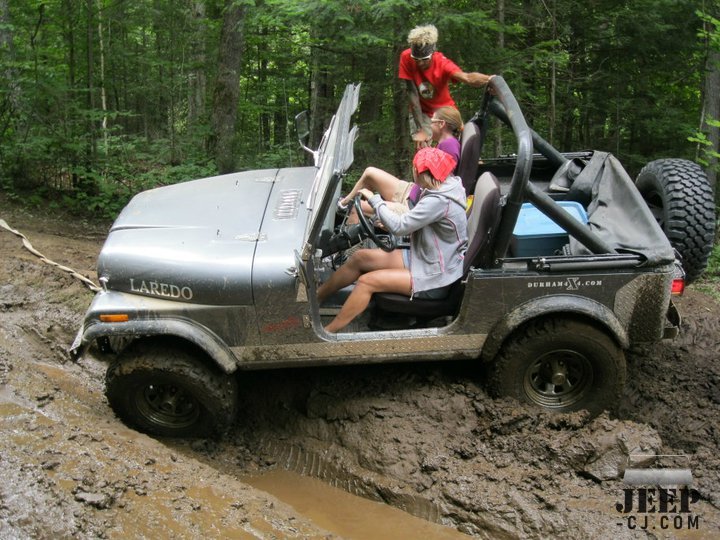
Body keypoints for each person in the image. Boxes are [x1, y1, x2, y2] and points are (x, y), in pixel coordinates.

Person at [318, 147, 468, 333]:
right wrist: (386, 218)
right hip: (426, 258)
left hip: (434, 276)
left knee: (367, 282)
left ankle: (326, 333)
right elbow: (414, 221)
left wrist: (375, 200)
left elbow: (399, 227)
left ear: (419, 172)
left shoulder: (439, 200)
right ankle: (315, 299)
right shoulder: (448, 185)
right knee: (360, 258)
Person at [338, 106, 464, 219]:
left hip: (414, 204)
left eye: (432, 121)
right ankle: (343, 204)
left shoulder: (450, 147)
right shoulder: (445, 143)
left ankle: (349, 231)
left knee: (356, 207)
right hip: (412, 192)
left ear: (441, 124)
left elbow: (438, 187)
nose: (430, 125)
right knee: (370, 173)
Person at [398, 24, 493, 148]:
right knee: (423, 152)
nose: (420, 63)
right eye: (416, 59)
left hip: (445, 109)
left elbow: (467, 78)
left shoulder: (442, 64)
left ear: (433, 52)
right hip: (421, 112)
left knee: (466, 145)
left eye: (425, 59)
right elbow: (412, 93)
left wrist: (491, 79)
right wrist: (421, 129)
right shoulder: (406, 57)